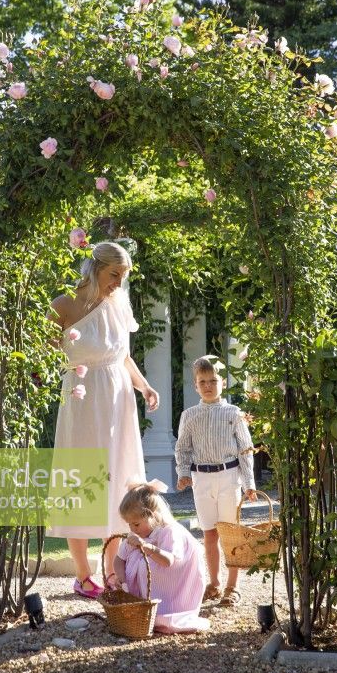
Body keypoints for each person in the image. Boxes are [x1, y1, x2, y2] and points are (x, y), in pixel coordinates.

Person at [49, 241, 159, 599]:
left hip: (117, 402)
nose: (118, 283)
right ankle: (83, 576)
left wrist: (144, 387)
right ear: (95, 268)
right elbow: (39, 353)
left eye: (123, 277)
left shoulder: (118, 305)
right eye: (115, 275)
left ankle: (112, 573)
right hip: (81, 402)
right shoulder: (63, 305)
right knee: (82, 481)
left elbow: (123, 357)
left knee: (117, 479)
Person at [175, 356, 257, 606]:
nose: (208, 385)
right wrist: (183, 473)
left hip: (228, 477)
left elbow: (245, 449)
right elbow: (183, 448)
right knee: (209, 534)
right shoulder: (189, 415)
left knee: (230, 533)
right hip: (202, 479)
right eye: (203, 381)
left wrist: (249, 483)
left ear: (222, 383)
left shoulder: (234, 413)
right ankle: (214, 582)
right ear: (195, 385)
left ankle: (233, 586)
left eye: (213, 380)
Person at [113, 481, 210, 634]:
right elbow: (119, 559)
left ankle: (163, 613)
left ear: (152, 516)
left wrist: (147, 547)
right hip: (145, 587)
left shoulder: (169, 532)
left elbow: (168, 561)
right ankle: (143, 609)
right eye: (129, 524)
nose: (132, 529)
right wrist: (122, 578)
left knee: (147, 566)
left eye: (136, 524)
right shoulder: (136, 535)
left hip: (171, 585)